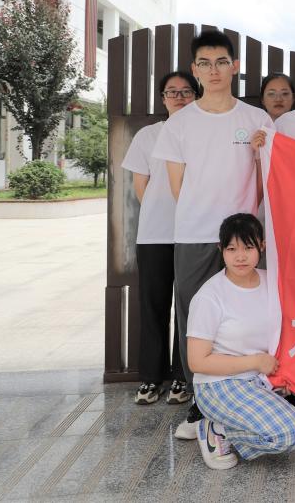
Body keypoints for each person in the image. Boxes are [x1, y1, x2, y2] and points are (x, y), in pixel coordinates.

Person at [152, 29, 273, 439]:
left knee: (248, 314)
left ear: (234, 66)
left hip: (243, 238)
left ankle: (248, 394)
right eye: (205, 63)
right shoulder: (180, 123)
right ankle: (201, 407)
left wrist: (244, 226)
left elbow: (265, 181)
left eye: (221, 62)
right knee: (194, 317)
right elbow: (178, 186)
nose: (214, 70)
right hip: (195, 233)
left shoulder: (256, 119)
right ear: (195, 69)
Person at [187, 213, 295, 470]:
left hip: (264, 377)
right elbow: (197, 362)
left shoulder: (272, 281)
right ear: (220, 249)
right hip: (221, 384)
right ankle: (216, 429)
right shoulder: (210, 296)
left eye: (248, 247)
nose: (240, 256)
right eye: (231, 249)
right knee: (289, 435)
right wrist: (256, 362)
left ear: (262, 246)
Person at [121, 70, 200, 406]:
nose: (179, 97)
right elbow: (142, 187)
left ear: (195, 96)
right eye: (172, 92)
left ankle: (183, 376)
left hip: (195, 232)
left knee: (188, 307)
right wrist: (163, 212)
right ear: (163, 98)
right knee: (154, 305)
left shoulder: (204, 133)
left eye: (186, 91)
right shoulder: (148, 135)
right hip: (155, 233)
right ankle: (151, 378)